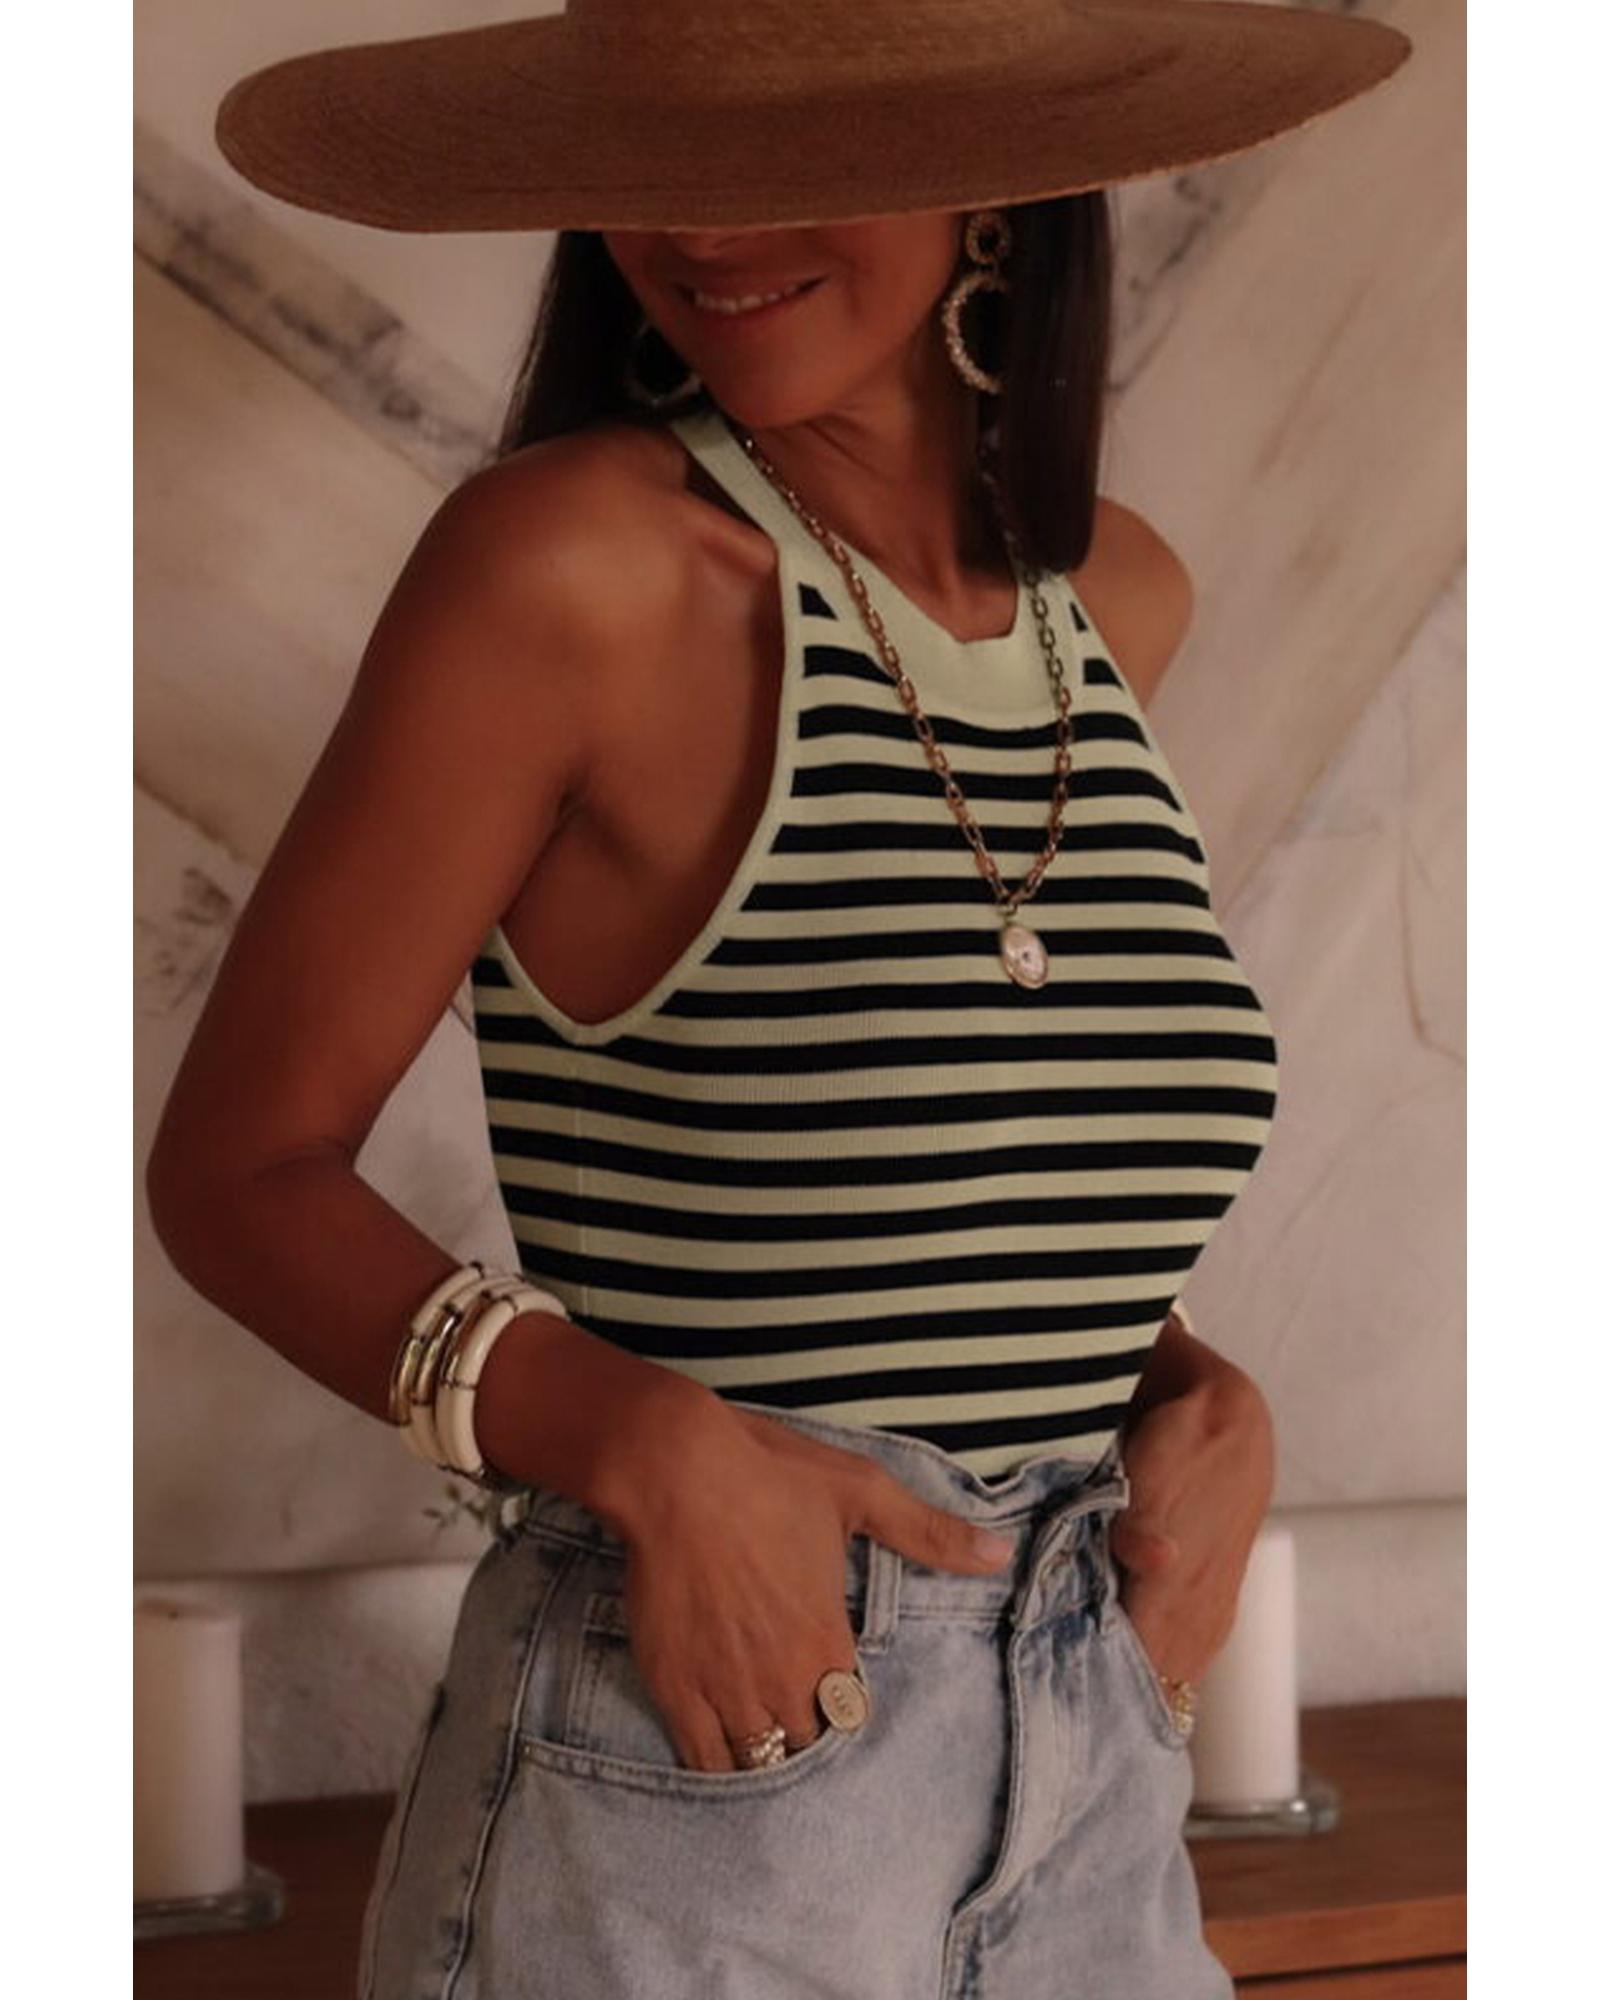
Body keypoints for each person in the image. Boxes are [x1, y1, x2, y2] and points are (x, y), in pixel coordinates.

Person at [148, 4, 1412, 1995]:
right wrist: (644, 1441)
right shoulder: (576, 566)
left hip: (1092, 1772)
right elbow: (239, 1170)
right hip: (699, 1766)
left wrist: (1186, 1384)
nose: (701, 229)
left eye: (790, 158)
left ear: (994, 181)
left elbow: (947, 1160)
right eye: (655, 163)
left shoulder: (1113, 606)